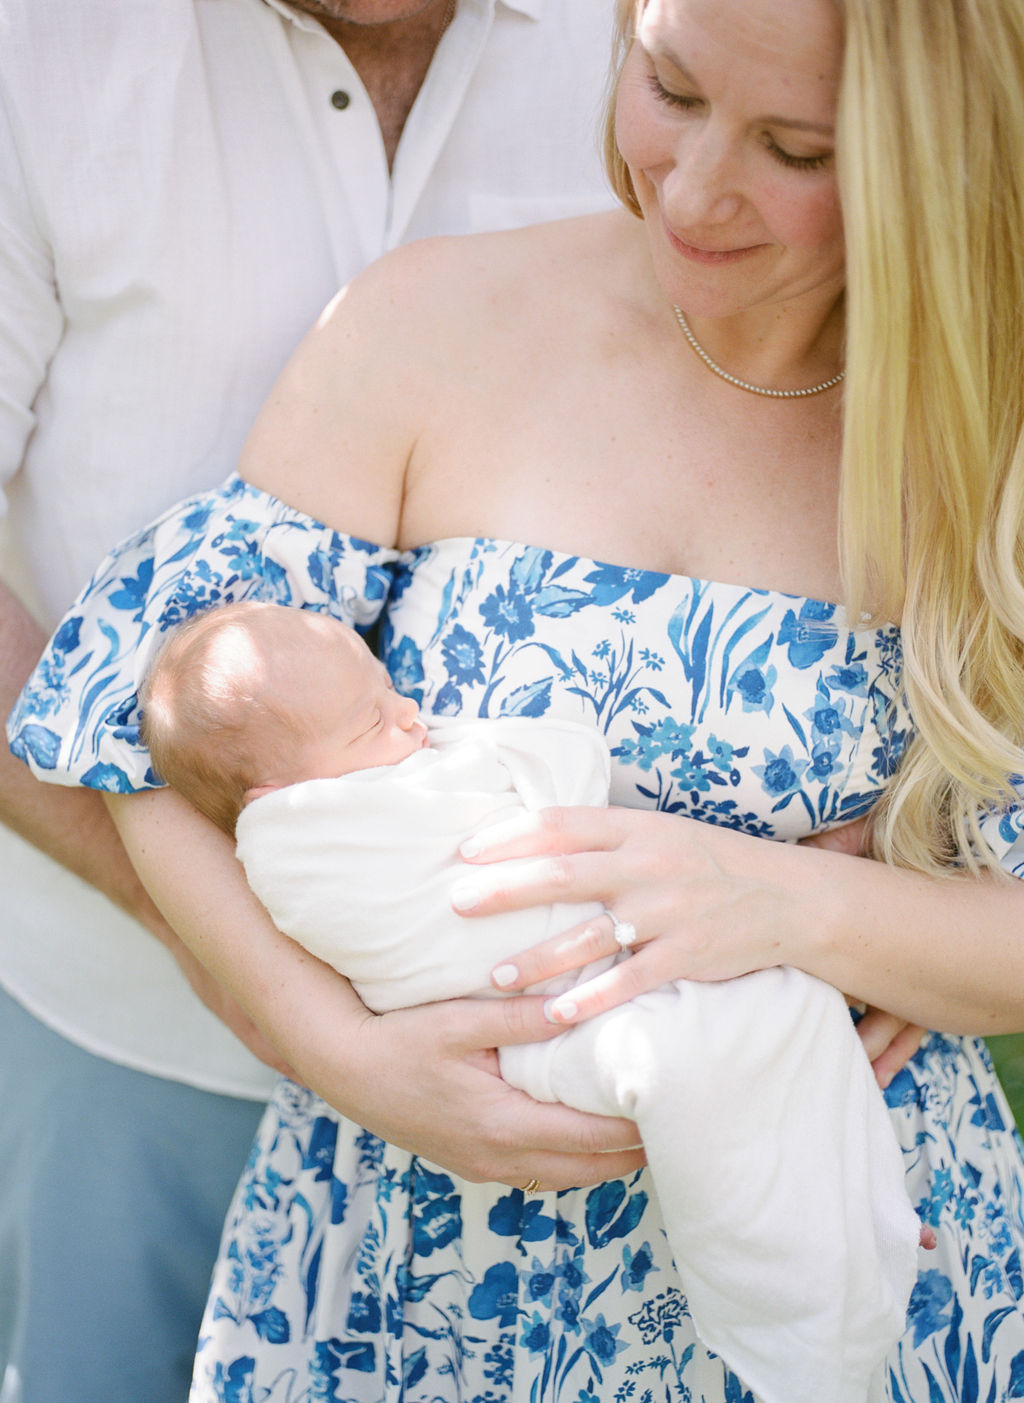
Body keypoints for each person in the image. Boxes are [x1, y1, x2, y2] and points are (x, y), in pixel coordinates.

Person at [9, 0, 1024, 1398]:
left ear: (936, 156)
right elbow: (140, 728)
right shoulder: (427, 323)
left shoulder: (991, 436)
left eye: (794, 146)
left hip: (854, 1238)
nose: (694, 183)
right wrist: (340, 1049)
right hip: (416, 1271)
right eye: (667, 89)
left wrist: (791, 909)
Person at [0, 1, 620, 1398]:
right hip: (129, 1014)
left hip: (558, 1046)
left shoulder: (662, 45)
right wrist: (244, 964)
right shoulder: (40, 47)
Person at [138, 596, 919, 1401]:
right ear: (275, 791)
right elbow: (559, 768)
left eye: (389, 689)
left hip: (567, 1008)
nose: (412, 716)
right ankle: (796, 1297)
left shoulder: (345, 768)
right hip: (530, 1036)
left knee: (775, 1026)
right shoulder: (305, 840)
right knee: (732, 1043)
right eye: (371, 723)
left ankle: (844, 1233)